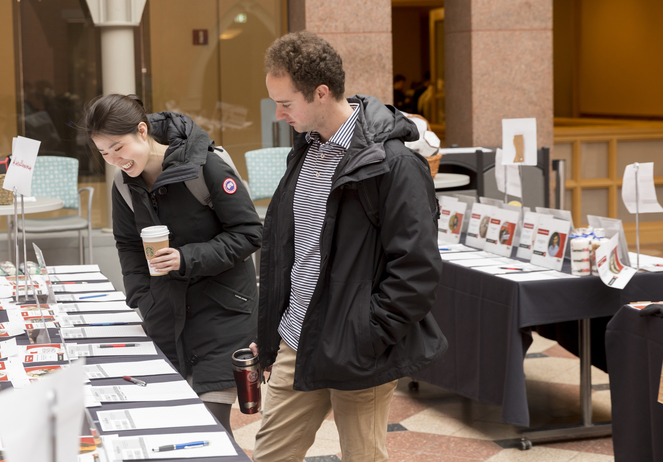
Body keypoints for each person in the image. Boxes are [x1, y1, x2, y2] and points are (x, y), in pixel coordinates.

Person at [251, 31, 447, 462]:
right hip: (296, 339)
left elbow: (417, 269)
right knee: (269, 456)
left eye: (285, 103)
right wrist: (269, 331)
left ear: (321, 93)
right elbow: (290, 250)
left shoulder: (393, 164)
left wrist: (368, 334)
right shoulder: (306, 150)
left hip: (359, 347)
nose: (279, 114)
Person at [84, 94, 262, 434]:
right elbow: (128, 245)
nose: (114, 160)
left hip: (222, 317)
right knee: (171, 428)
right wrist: (143, 299)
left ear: (141, 130)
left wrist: (186, 257)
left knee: (210, 431)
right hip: (166, 317)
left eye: (118, 148)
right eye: (104, 153)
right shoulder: (124, 185)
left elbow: (249, 233)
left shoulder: (206, 166)